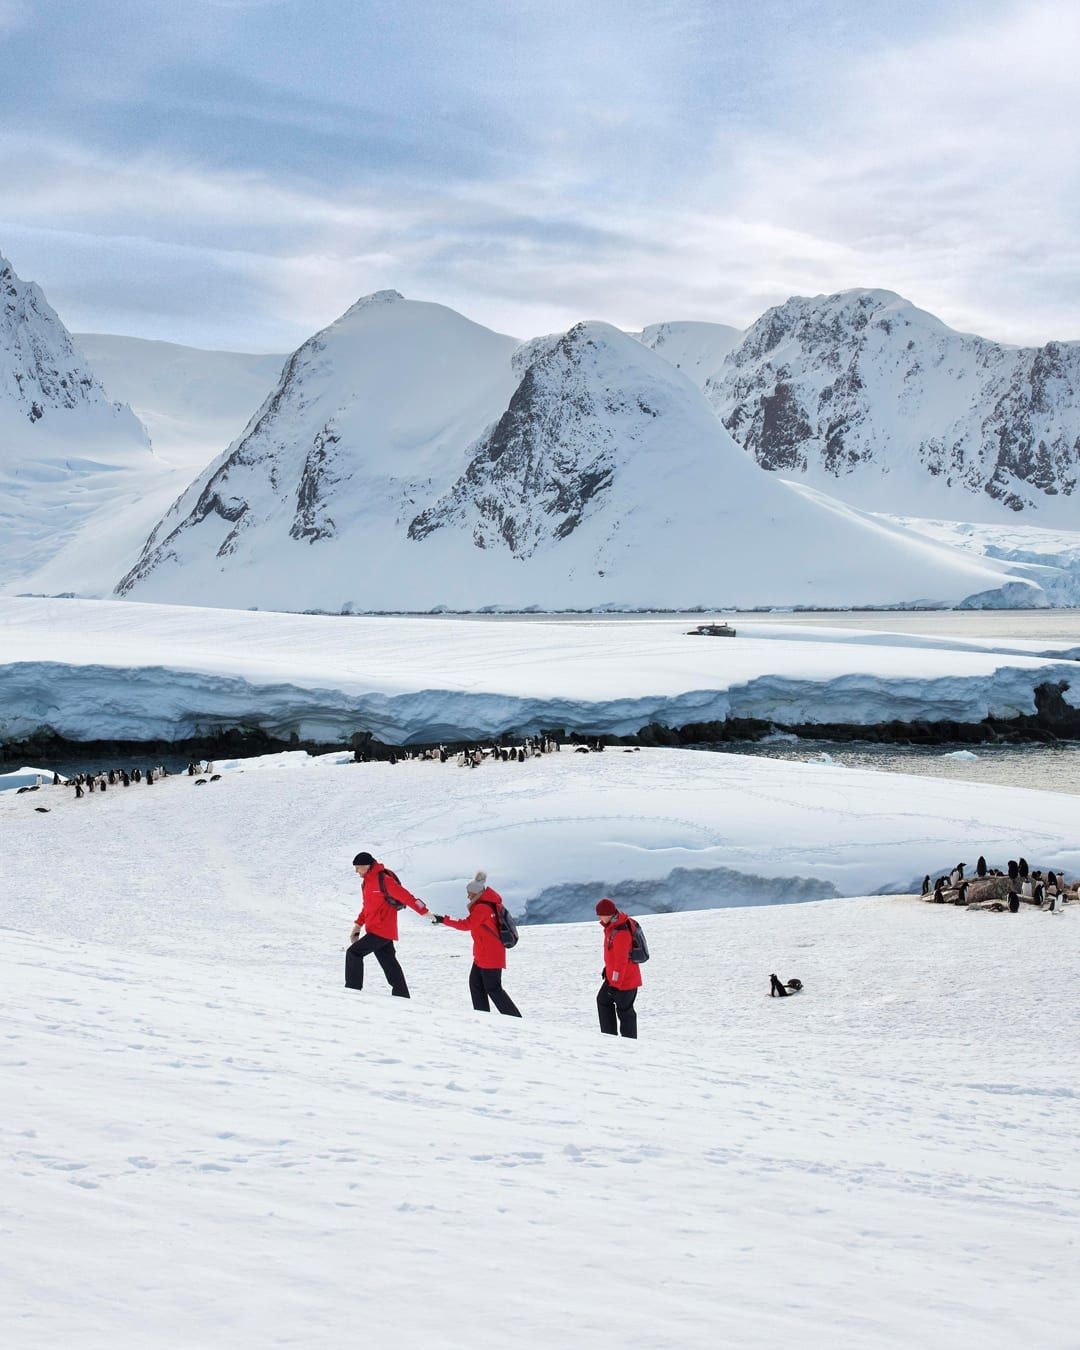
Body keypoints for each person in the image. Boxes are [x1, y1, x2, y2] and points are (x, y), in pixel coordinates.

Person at [434, 871, 521, 1017]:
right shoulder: (487, 904)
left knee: (493, 989)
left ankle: (515, 1019)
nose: (468, 896)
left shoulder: (483, 908)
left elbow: (466, 925)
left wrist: (444, 920)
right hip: (483, 954)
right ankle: (482, 1016)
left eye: (470, 894)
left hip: (490, 955)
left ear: (477, 893)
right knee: (476, 985)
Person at [345, 851, 430, 998]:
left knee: (354, 953)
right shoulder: (366, 882)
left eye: (358, 867)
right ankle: (402, 995)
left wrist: (425, 911)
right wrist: (358, 925)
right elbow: (367, 907)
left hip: (382, 929)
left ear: (366, 866)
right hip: (375, 930)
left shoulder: (384, 880)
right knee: (389, 963)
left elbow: (407, 896)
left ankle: (352, 991)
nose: (356, 871)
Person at [595, 898, 642, 1039]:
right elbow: (614, 955)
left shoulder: (620, 931)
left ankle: (629, 1044)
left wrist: (614, 985)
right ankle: (610, 1038)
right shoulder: (612, 926)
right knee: (603, 1001)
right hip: (616, 977)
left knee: (625, 1011)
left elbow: (621, 961)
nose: (599, 918)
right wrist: (607, 968)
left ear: (609, 914)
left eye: (601, 915)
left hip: (625, 981)